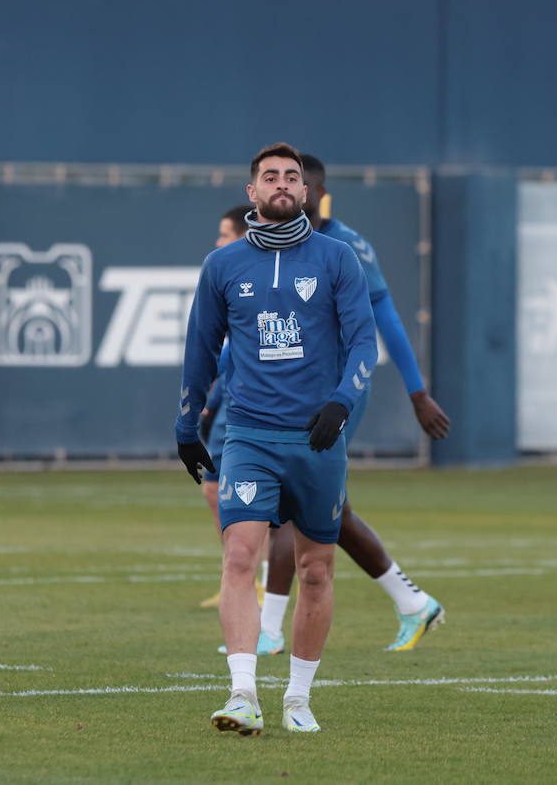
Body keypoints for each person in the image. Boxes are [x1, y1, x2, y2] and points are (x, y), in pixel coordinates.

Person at [176, 142, 376, 735]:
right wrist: (187, 427)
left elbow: (363, 342)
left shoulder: (337, 259)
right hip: (250, 435)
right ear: (252, 194)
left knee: (316, 569)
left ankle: (297, 698)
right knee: (240, 554)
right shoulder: (223, 267)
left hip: (317, 441)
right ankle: (242, 695)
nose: (283, 184)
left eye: (292, 177)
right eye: (271, 177)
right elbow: (199, 350)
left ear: (306, 191)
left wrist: (343, 403)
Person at [247, 152, 450, 655]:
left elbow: (387, 319)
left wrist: (417, 391)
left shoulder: (345, 246)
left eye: (304, 185)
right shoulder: (270, 249)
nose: (298, 194)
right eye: (287, 182)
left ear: (318, 192)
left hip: (338, 396)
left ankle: (269, 629)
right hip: (287, 392)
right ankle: (413, 603)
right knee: (327, 511)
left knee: (291, 504)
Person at [196, 204, 265, 609]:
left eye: (224, 233)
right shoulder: (225, 274)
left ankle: (256, 581)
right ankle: (239, 574)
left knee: (253, 497)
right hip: (229, 394)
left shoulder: (261, 277)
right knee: (213, 487)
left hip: (252, 401)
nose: (218, 241)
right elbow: (224, 346)